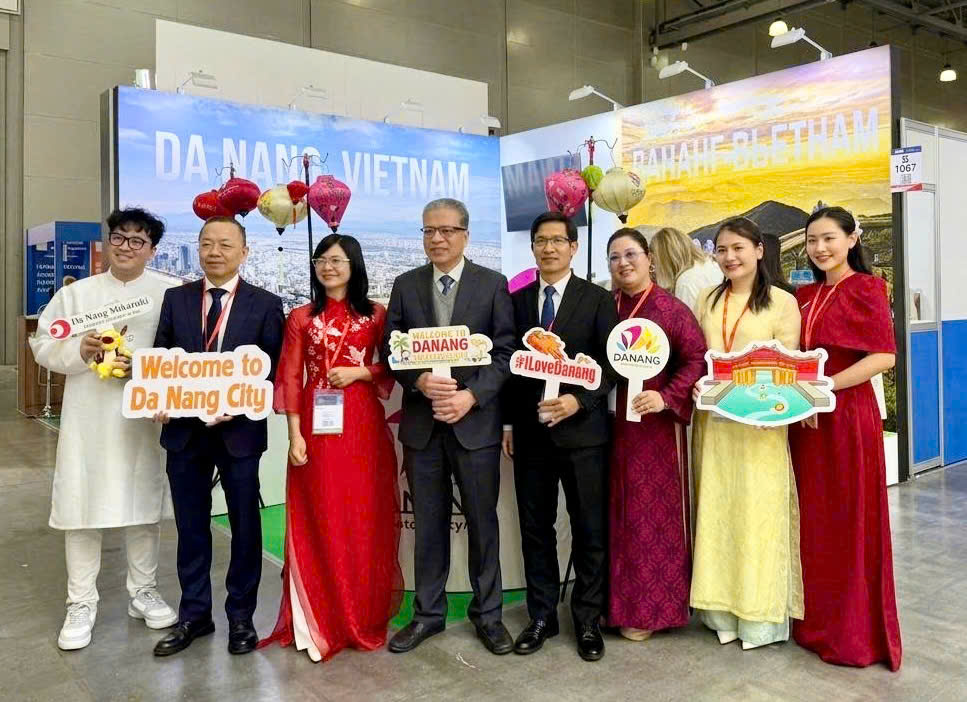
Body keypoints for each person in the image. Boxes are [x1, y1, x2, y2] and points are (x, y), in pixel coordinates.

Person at [30, 208, 178, 651]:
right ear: (107, 242)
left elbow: (184, 351)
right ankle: (81, 602)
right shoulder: (76, 294)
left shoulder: (169, 293)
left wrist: (145, 367)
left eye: (138, 240)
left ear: (152, 250)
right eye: (119, 237)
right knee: (82, 504)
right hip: (87, 415)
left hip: (141, 416)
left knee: (142, 505)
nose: (126, 247)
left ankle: (143, 591)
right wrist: (80, 349)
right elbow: (43, 344)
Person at [382, 198, 516, 655]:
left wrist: (471, 396)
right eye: (428, 231)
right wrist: (417, 380)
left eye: (446, 231)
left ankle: (489, 615)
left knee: (482, 523)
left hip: (474, 426)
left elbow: (506, 353)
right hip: (423, 428)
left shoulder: (492, 284)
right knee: (428, 526)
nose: (436, 239)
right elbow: (392, 351)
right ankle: (428, 615)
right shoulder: (405, 285)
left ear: (465, 234)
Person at [259, 234, 402, 662]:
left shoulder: (376, 314)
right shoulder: (301, 317)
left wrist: (360, 373)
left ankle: (359, 614)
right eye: (321, 260)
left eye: (337, 260)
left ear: (354, 266)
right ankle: (316, 617)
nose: (328, 267)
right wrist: (295, 435)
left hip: (362, 425)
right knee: (320, 514)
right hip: (315, 428)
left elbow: (394, 365)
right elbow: (289, 376)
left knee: (361, 516)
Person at [151, 216, 285, 657]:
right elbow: (162, 359)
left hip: (239, 432)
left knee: (245, 526)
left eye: (225, 244)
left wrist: (240, 403)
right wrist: (160, 397)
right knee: (191, 527)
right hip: (184, 432)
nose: (214, 252)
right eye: (207, 243)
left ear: (244, 252)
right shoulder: (176, 298)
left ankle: (241, 617)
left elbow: (273, 371)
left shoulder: (266, 304)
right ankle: (194, 615)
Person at [788, 207, 902, 670]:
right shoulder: (804, 294)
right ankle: (813, 623)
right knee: (814, 521)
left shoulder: (868, 288)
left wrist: (827, 386)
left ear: (852, 239)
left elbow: (884, 357)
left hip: (848, 415)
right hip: (806, 420)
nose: (819, 248)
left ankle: (852, 633)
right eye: (812, 240)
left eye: (829, 238)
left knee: (850, 518)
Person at [502, 211, 618, 662]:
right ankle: (542, 616)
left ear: (573, 247)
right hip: (531, 436)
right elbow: (507, 368)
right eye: (540, 241)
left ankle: (587, 619)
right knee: (536, 529)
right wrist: (508, 424)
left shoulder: (598, 299)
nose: (548, 248)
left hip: (584, 436)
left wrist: (579, 401)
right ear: (532, 247)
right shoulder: (516, 301)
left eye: (557, 241)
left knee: (589, 528)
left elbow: (611, 365)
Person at [689, 217, 804, 650]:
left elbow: (789, 368)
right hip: (714, 426)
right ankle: (720, 612)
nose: (730, 257)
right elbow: (697, 357)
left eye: (738, 248)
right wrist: (698, 381)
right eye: (722, 249)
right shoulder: (707, 298)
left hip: (760, 425)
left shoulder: (781, 302)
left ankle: (759, 618)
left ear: (759, 250)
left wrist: (761, 401)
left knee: (758, 516)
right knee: (717, 512)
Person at [606, 228, 707, 642]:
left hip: (653, 432)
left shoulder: (670, 309)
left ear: (649, 258)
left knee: (648, 516)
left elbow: (696, 358)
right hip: (606, 426)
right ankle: (610, 607)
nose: (623, 263)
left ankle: (650, 611)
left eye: (631, 254)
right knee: (609, 514)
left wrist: (665, 397)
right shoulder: (604, 305)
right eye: (615, 257)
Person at [649, 226, 722, 310]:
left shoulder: (685, 283)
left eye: (655, 262)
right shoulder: (712, 263)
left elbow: (688, 318)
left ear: (664, 261)